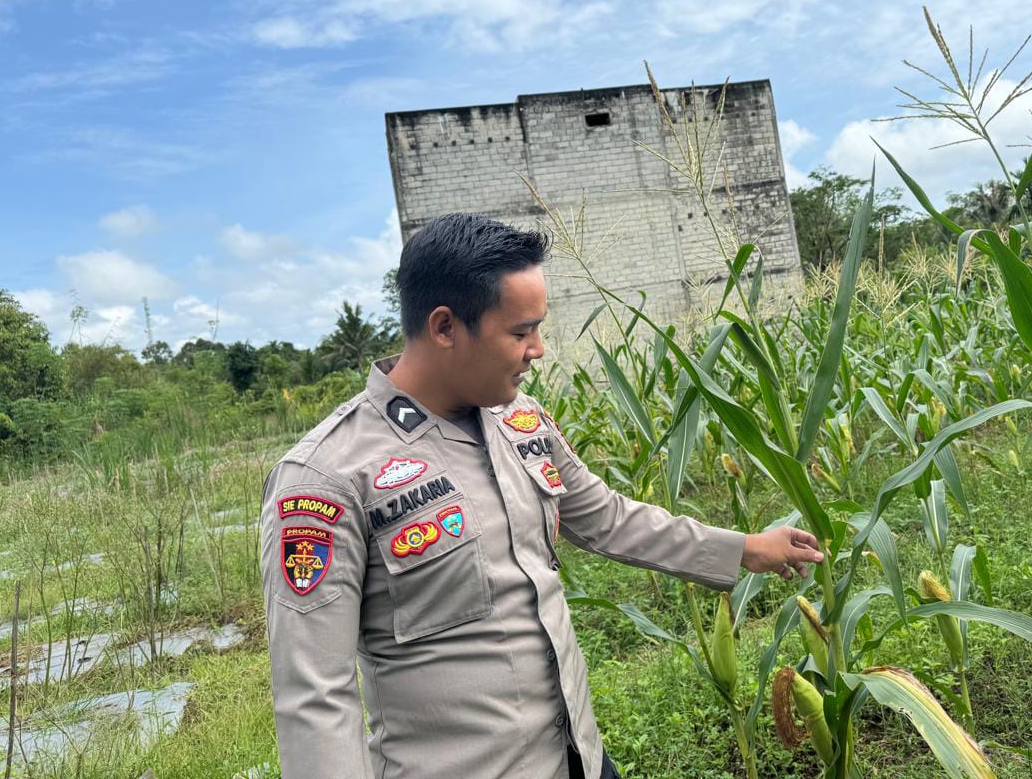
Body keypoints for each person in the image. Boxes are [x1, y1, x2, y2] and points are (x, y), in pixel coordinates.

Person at [260, 212, 823, 779]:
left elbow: (606, 518)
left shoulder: (520, 420)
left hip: (579, 756)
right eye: (520, 333)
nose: (539, 349)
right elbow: (317, 696)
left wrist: (743, 548)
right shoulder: (326, 478)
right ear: (445, 327)